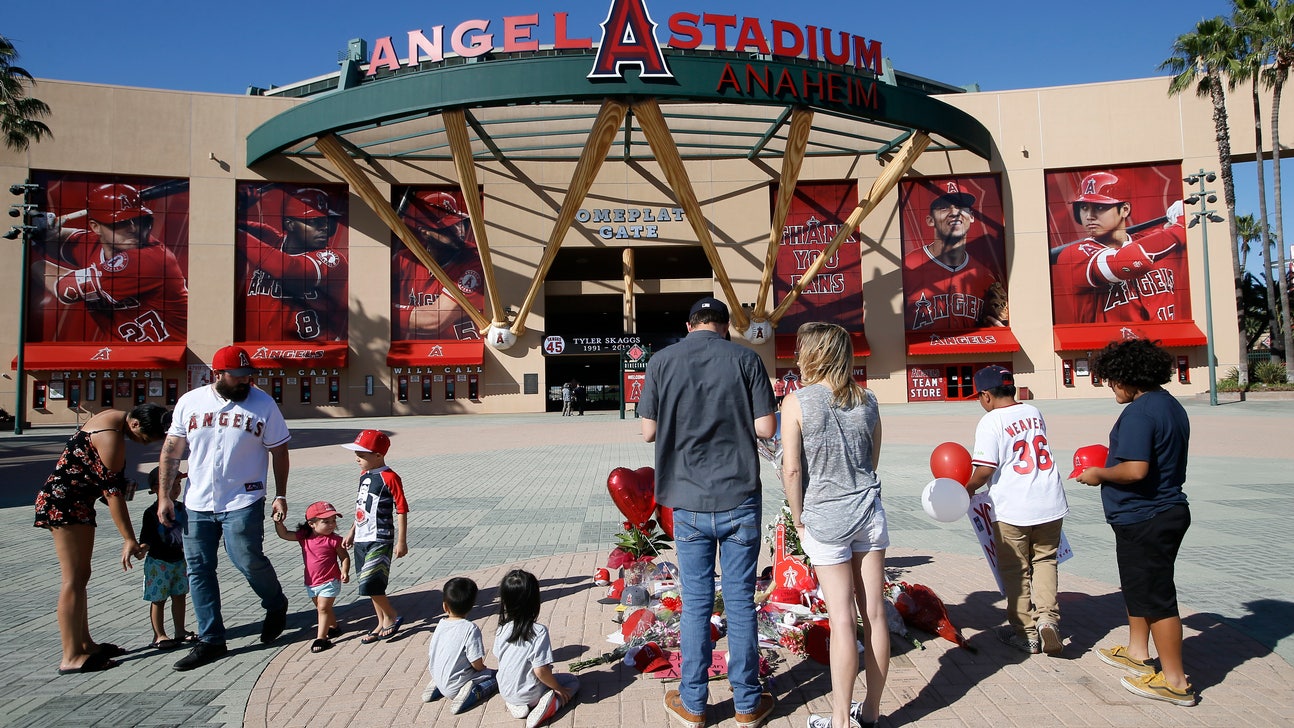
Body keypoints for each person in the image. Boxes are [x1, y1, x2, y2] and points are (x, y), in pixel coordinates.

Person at [638, 296, 778, 728]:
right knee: (739, 601)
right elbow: (766, 428)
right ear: (725, 327)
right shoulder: (746, 360)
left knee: (696, 603)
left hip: (688, 500)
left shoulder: (662, 361)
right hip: (739, 496)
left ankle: (694, 704)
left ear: (689, 325)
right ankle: (747, 704)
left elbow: (648, 432)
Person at [1075, 339, 1195, 706]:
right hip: (1160, 512)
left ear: (1129, 377)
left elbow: (1135, 469)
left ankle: (1175, 681)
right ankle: (1137, 650)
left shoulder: (1140, 413)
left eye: (1112, 379)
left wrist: (1098, 474)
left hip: (1147, 516)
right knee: (1139, 585)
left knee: (1157, 596)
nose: (1110, 386)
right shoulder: (1169, 405)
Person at [157, 344, 292, 672]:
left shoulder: (264, 404)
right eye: (239, 376)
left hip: (244, 499)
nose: (246, 381)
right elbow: (172, 451)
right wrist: (164, 496)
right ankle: (211, 640)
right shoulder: (190, 402)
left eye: (250, 375)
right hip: (197, 501)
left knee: (246, 558)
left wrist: (281, 494)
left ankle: (275, 603)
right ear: (218, 374)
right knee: (199, 569)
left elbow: (280, 451)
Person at [780, 322, 888, 728]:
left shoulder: (799, 401)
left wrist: (797, 517)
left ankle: (841, 719)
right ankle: (872, 710)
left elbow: (792, 470)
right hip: (868, 511)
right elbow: (872, 460)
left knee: (842, 618)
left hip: (825, 516)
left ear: (813, 354)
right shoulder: (869, 400)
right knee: (874, 615)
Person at [34, 403, 171, 674]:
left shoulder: (109, 417)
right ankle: (71, 656)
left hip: (70, 502)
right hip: (66, 505)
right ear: (135, 424)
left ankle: (85, 643)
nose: (142, 445)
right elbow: (112, 494)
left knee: (81, 576)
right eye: (145, 439)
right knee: (72, 580)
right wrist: (129, 539)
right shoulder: (111, 436)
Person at [964, 365, 1069, 656]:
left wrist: (967, 488)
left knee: (1015, 569)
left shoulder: (991, 421)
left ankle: (1026, 633)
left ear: (986, 395)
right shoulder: (1034, 412)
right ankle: (1048, 618)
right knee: (1046, 561)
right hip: (1050, 500)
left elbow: (985, 469)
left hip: (1014, 508)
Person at [33, 182, 189, 343]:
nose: (133, 228)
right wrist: (41, 231)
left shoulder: (150, 259)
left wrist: (35, 265)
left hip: (174, 355)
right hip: (121, 355)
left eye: (140, 221)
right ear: (96, 227)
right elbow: (57, 240)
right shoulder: (92, 245)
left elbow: (65, 289)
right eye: (120, 222)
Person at [1051, 172, 1187, 324]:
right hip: (1111, 346)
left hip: (1170, 343)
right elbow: (1130, 262)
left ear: (1125, 209)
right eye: (1084, 207)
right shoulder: (1072, 256)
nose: (1089, 215)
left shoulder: (1156, 241)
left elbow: (1162, 236)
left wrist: (1185, 216)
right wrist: (1180, 225)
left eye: (1100, 207)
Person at [238, 186, 348, 342]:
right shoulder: (271, 239)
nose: (325, 228)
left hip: (314, 355)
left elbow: (288, 269)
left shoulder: (331, 259)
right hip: (261, 352)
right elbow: (229, 224)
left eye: (327, 222)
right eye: (315, 222)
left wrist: (236, 235)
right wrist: (240, 206)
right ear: (289, 224)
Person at [903, 181, 1007, 332]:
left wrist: (998, 332)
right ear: (930, 220)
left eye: (960, 206)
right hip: (917, 354)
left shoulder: (985, 276)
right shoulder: (907, 267)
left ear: (971, 217)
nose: (954, 212)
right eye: (944, 207)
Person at [340, 429, 410, 644]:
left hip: (381, 537)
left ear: (378, 455)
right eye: (357, 454)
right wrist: (352, 531)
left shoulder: (390, 477)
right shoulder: (364, 476)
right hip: (361, 536)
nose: (357, 459)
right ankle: (381, 621)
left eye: (362, 455)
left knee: (372, 582)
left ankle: (391, 615)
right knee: (366, 583)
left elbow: (401, 508)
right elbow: (361, 506)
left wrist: (401, 540)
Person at [391, 190, 485, 340]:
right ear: (424, 232)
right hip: (417, 352)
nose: (458, 231)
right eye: (447, 227)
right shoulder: (404, 260)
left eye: (459, 222)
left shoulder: (473, 260)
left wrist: (382, 311)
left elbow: (435, 319)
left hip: (461, 351)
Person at [493, 569, 579, 728]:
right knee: (572, 681)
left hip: (505, 689)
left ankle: (516, 705)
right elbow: (540, 671)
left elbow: (499, 656)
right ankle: (550, 705)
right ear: (534, 601)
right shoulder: (538, 631)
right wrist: (558, 688)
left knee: (525, 684)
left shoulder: (501, 629)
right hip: (531, 693)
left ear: (505, 602)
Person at [274, 501, 350, 653]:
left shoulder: (335, 540)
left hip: (330, 580)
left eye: (334, 521)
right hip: (311, 581)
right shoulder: (304, 537)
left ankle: (322, 639)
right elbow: (284, 534)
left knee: (322, 608)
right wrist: (278, 523)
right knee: (324, 608)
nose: (331, 525)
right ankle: (334, 627)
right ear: (311, 524)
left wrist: (345, 571)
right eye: (326, 521)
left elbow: (345, 557)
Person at [424, 576, 497, 714]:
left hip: (439, 675)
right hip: (457, 685)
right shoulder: (470, 629)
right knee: (497, 676)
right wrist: (483, 669)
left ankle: (437, 686)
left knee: (450, 673)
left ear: (445, 606)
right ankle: (469, 694)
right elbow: (476, 662)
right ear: (471, 606)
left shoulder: (440, 625)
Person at [140, 466, 193, 650]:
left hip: (179, 561)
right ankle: (159, 635)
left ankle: (180, 630)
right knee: (158, 599)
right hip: (158, 562)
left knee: (180, 596)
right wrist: (140, 550)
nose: (177, 488)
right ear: (156, 489)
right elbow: (146, 540)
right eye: (172, 485)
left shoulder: (183, 508)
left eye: (179, 483)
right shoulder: (151, 513)